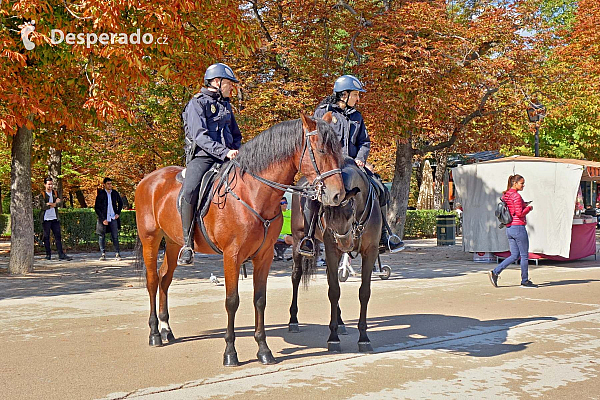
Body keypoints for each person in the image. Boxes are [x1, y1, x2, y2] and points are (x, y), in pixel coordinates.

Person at [298, 74, 403, 256]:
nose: (358, 98)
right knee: (309, 193)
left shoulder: (357, 116)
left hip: (354, 165)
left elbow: (364, 142)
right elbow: (318, 141)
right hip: (330, 166)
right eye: (355, 94)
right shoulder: (323, 112)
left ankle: (385, 234)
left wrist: (362, 158)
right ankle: (308, 238)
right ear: (344, 94)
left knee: (380, 188)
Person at [179, 62, 242, 265]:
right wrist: (224, 152)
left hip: (228, 156)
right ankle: (187, 244)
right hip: (203, 157)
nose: (232, 87)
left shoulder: (226, 105)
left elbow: (235, 134)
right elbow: (200, 136)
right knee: (189, 190)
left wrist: (237, 151)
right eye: (229, 83)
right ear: (217, 82)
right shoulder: (197, 103)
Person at [488, 174, 536, 288]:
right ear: (515, 183)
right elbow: (519, 213)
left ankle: (495, 272)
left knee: (514, 255)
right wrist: (528, 208)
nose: (523, 185)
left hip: (509, 228)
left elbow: (513, 208)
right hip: (518, 227)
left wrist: (522, 205)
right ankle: (524, 280)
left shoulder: (507, 195)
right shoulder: (516, 196)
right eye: (521, 183)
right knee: (524, 256)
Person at [38, 177, 72, 261]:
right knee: (46, 237)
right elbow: (43, 206)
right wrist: (54, 203)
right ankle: (48, 254)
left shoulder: (55, 193)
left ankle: (61, 254)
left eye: (51, 184)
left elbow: (60, 203)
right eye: (49, 184)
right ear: (45, 184)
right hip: (46, 219)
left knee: (58, 236)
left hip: (55, 218)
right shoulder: (42, 194)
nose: (50, 186)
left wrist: (51, 204)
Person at [94, 177, 124, 261]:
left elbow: (120, 203)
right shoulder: (101, 194)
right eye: (108, 184)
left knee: (115, 236)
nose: (110, 185)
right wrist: (103, 219)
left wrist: (118, 213)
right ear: (104, 184)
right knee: (101, 236)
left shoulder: (114, 193)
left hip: (113, 217)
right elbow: (97, 208)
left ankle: (117, 253)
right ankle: (103, 254)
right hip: (103, 219)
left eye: (111, 183)